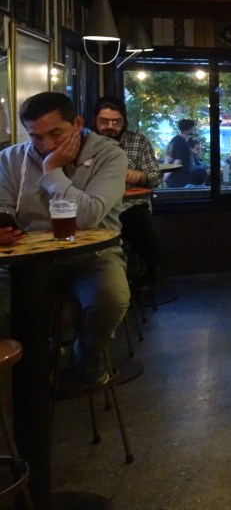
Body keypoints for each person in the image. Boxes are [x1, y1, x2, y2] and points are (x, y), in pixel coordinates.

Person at [0, 92, 130, 384]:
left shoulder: (109, 155)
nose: (47, 145)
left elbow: (88, 216)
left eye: (55, 133)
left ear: (78, 123)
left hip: (92, 256)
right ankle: (35, 363)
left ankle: (88, 352)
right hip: (26, 259)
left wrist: (52, 169)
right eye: (36, 137)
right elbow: (3, 207)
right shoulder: (10, 159)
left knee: (111, 299)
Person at [93, 95, 165, 287]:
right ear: (95, 120)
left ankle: (145, 279)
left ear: (124, 121)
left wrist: (140, 176)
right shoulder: (85, 143)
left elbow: (156, 178)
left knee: (146, 234)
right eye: (104, 121)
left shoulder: (139, 141)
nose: (110, 126)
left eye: (116, 122)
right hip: (95, 208)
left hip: (129, 206)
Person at [164, 118, 198, 188]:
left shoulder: (174, 140)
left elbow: (168, 157)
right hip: (181, 181)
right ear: (189, 129)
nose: (194, 129)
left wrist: (166, 173)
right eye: (193, 127)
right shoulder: (182, 143)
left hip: (173, 180)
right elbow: (177, 162)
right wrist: (166, 176)